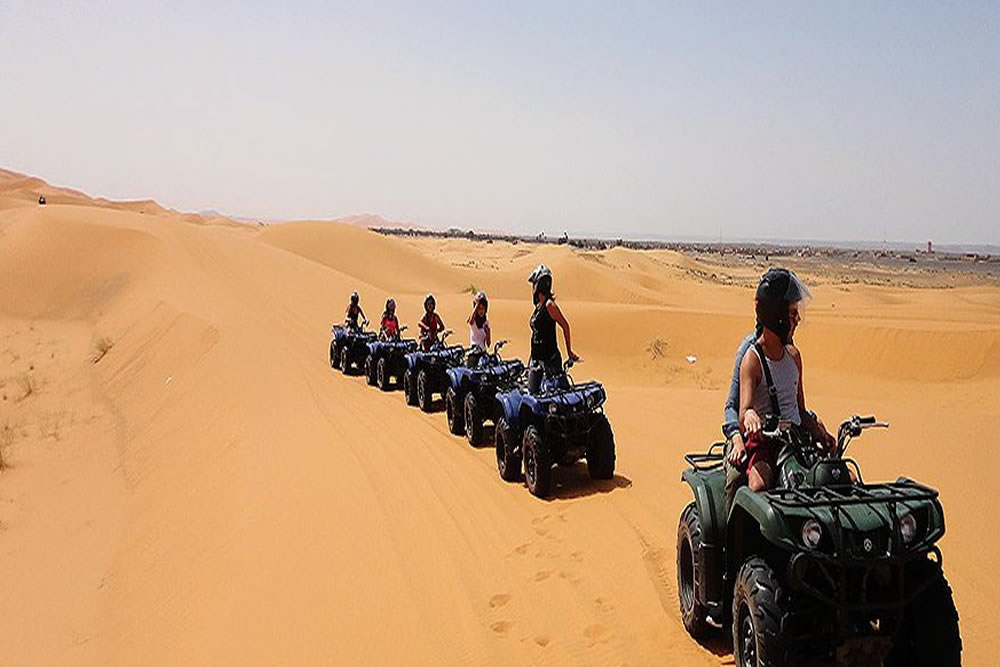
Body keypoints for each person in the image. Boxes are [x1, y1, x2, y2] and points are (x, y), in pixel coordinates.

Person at [731, 268, 834, 496]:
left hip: (797, 441)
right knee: (758, 485)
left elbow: (800, 410)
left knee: (840, 477)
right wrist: (750, 417)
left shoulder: (794, 357)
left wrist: (819, 432)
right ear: (776, 316)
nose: (797, 320)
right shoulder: (752, 359)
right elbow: (743, 410)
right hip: (767, 444)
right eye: (792, 313)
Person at [527, 265, 580, 393]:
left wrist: (569, 351)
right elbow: (537, 333)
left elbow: (565, 326)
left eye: (534, 284)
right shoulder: (539, 307)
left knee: (556, 397)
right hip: (536, 362)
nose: (532, 287)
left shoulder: (550, 305)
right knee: (533, 396)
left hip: (550, 362)